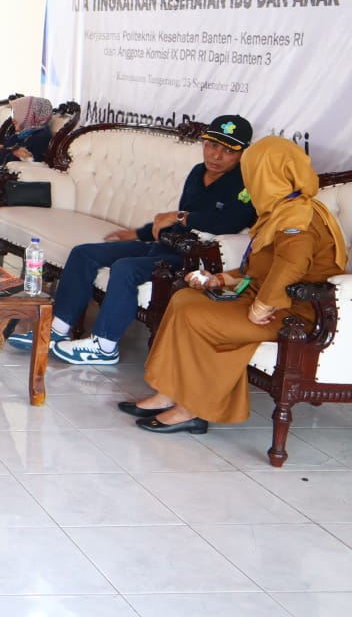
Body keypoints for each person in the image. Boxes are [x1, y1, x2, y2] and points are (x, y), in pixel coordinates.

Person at [124, 136, 348, 435]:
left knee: (196, 316)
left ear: (268, 174)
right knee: (183, 300)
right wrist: (220, 279)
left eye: (253, 171)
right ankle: (169, 392)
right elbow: (259, 267)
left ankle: (192, 410)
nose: (249, 179)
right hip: (269, 299)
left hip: (292, 313)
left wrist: (261, 305)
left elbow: (290, 267)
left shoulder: (299, 217)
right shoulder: (281, 209)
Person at [17, 116, 260, 365]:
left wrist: (179, 217)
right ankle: (56, 331)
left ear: (243, 153)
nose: (216, 156)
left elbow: (226, 223)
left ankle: (104, 346)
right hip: (166, 244)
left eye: (228, 151)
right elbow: (174, 222)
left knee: (126, 268)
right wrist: (140, 233)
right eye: (212, 145)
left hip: (193, 257)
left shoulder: (246, 182)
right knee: (84, 253)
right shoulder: (199, 172)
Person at [0, 95, 55, 197]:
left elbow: (36, 169)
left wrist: (26, 157)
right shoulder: (18, 136)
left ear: (30, 114)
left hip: (6, 186)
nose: (13, 119)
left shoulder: (42, 137)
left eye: (17, 113)